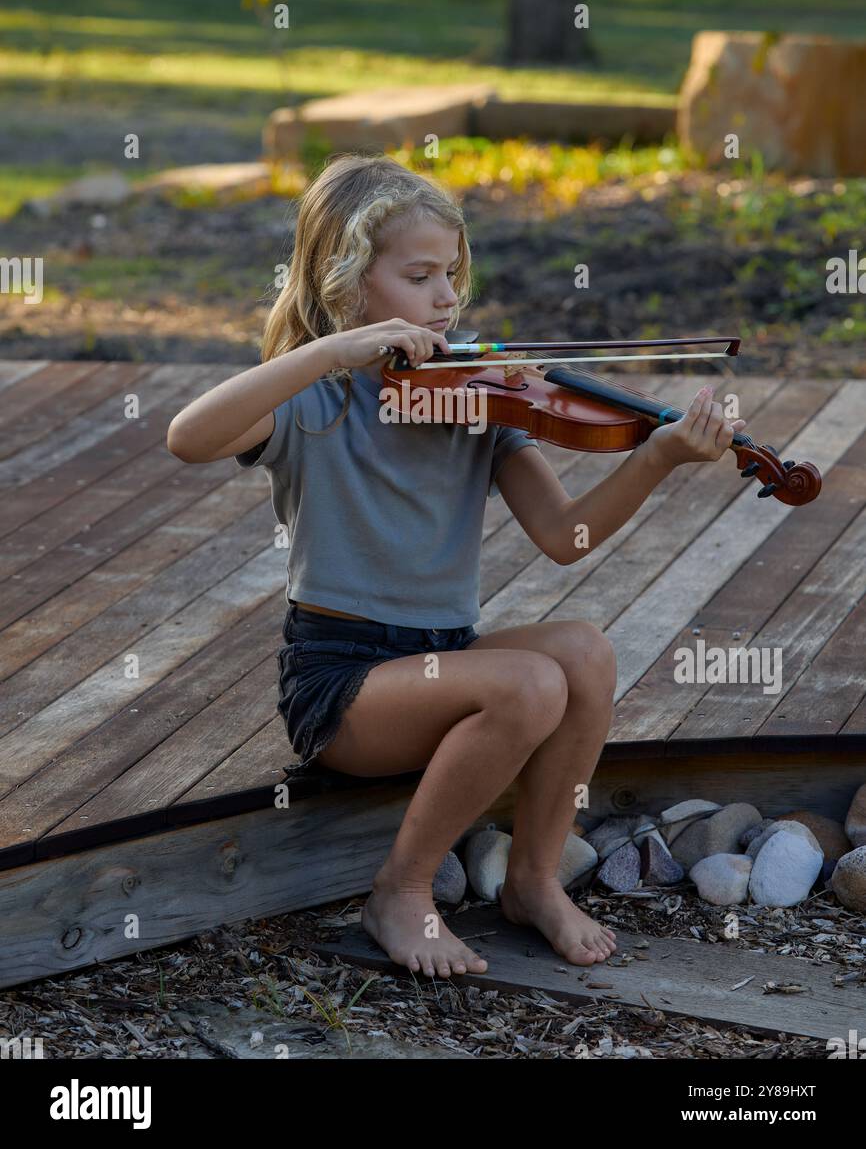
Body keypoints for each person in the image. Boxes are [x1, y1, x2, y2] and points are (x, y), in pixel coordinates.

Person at [167, 152, 746, 980]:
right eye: (420, 275)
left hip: (443, 661)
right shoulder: (312, 405)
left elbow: (566, 537)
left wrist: (654, 459)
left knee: (583, 650)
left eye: (452, 274)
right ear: (349, 284)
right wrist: (333, 354)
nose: (447, 298)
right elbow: (185, 437)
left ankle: (535, 881)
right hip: (346, 685)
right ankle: (401, 890)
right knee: (528, 684)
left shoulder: (475, 400)